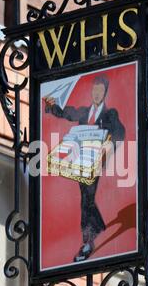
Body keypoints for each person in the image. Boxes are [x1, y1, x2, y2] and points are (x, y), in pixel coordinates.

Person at [45, 76, 125, 262]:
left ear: (105, 93)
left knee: (86, 198)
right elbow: (68, 113)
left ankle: (88, 241)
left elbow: (120, 132)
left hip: (95, 162)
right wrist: (51, 106)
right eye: (94, 90)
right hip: (80, 160)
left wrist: (110, 145)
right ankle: (98, 226)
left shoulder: (110, 114)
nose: (96, 94)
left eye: (100, 91)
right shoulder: (84, 112)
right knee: (86, 198)